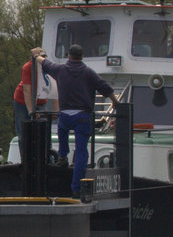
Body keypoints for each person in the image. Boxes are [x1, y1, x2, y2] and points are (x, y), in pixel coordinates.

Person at [32, 43, 120, 197]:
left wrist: (36, 55)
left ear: (68, 56)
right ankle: (76, 188)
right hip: (82, 117)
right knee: (81, 152)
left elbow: (45, 63)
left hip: (65, 115)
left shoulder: (60, 70)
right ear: (82, 57)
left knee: (62, 131)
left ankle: (63, 156)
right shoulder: (88, 73)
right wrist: (115, 102)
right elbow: (105, 87)